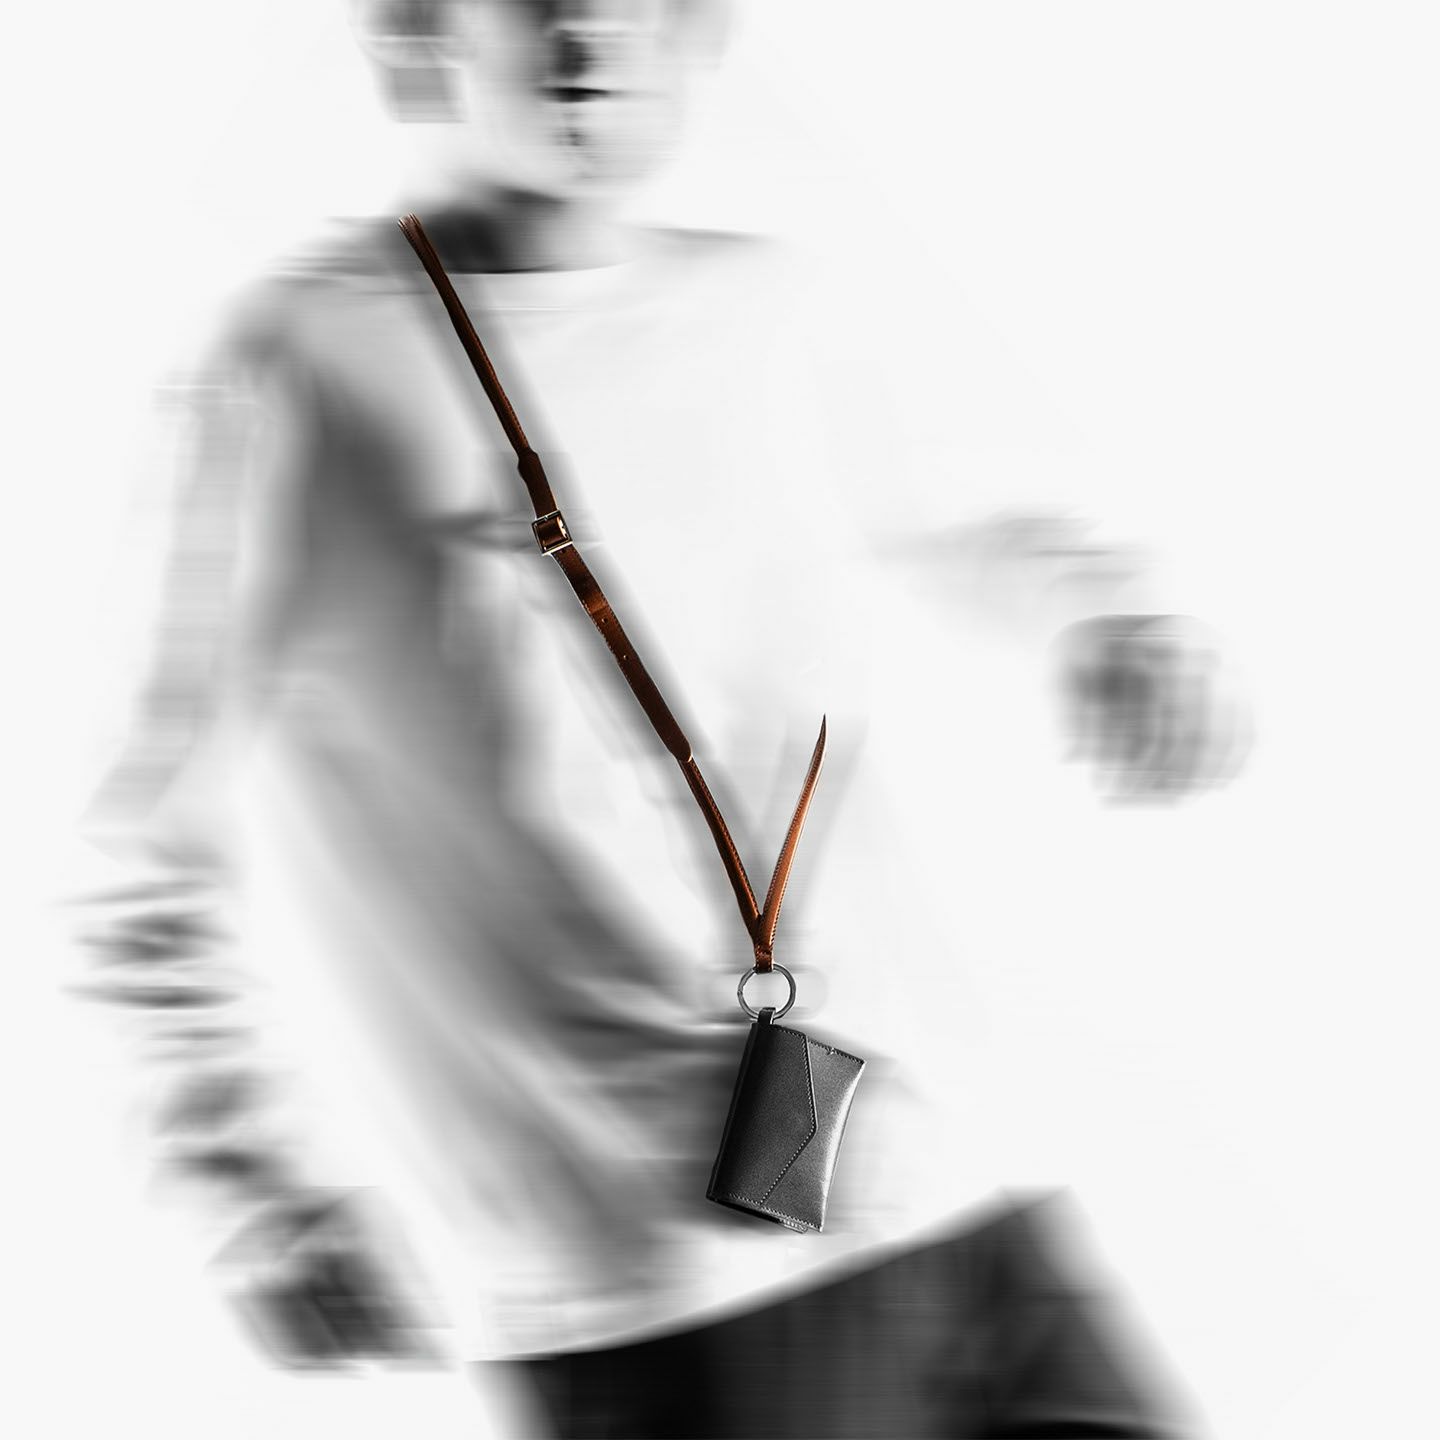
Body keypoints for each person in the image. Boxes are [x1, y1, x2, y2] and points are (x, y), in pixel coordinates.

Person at [74, 1, 1243, 1434]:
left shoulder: (777, 307)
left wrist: (1110, 626)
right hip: (658, 1294)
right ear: (422, 31)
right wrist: (240, 1190)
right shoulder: (293, 365)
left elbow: (965, 526)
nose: (586, 29)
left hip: (958, 1192)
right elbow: (129, 856)